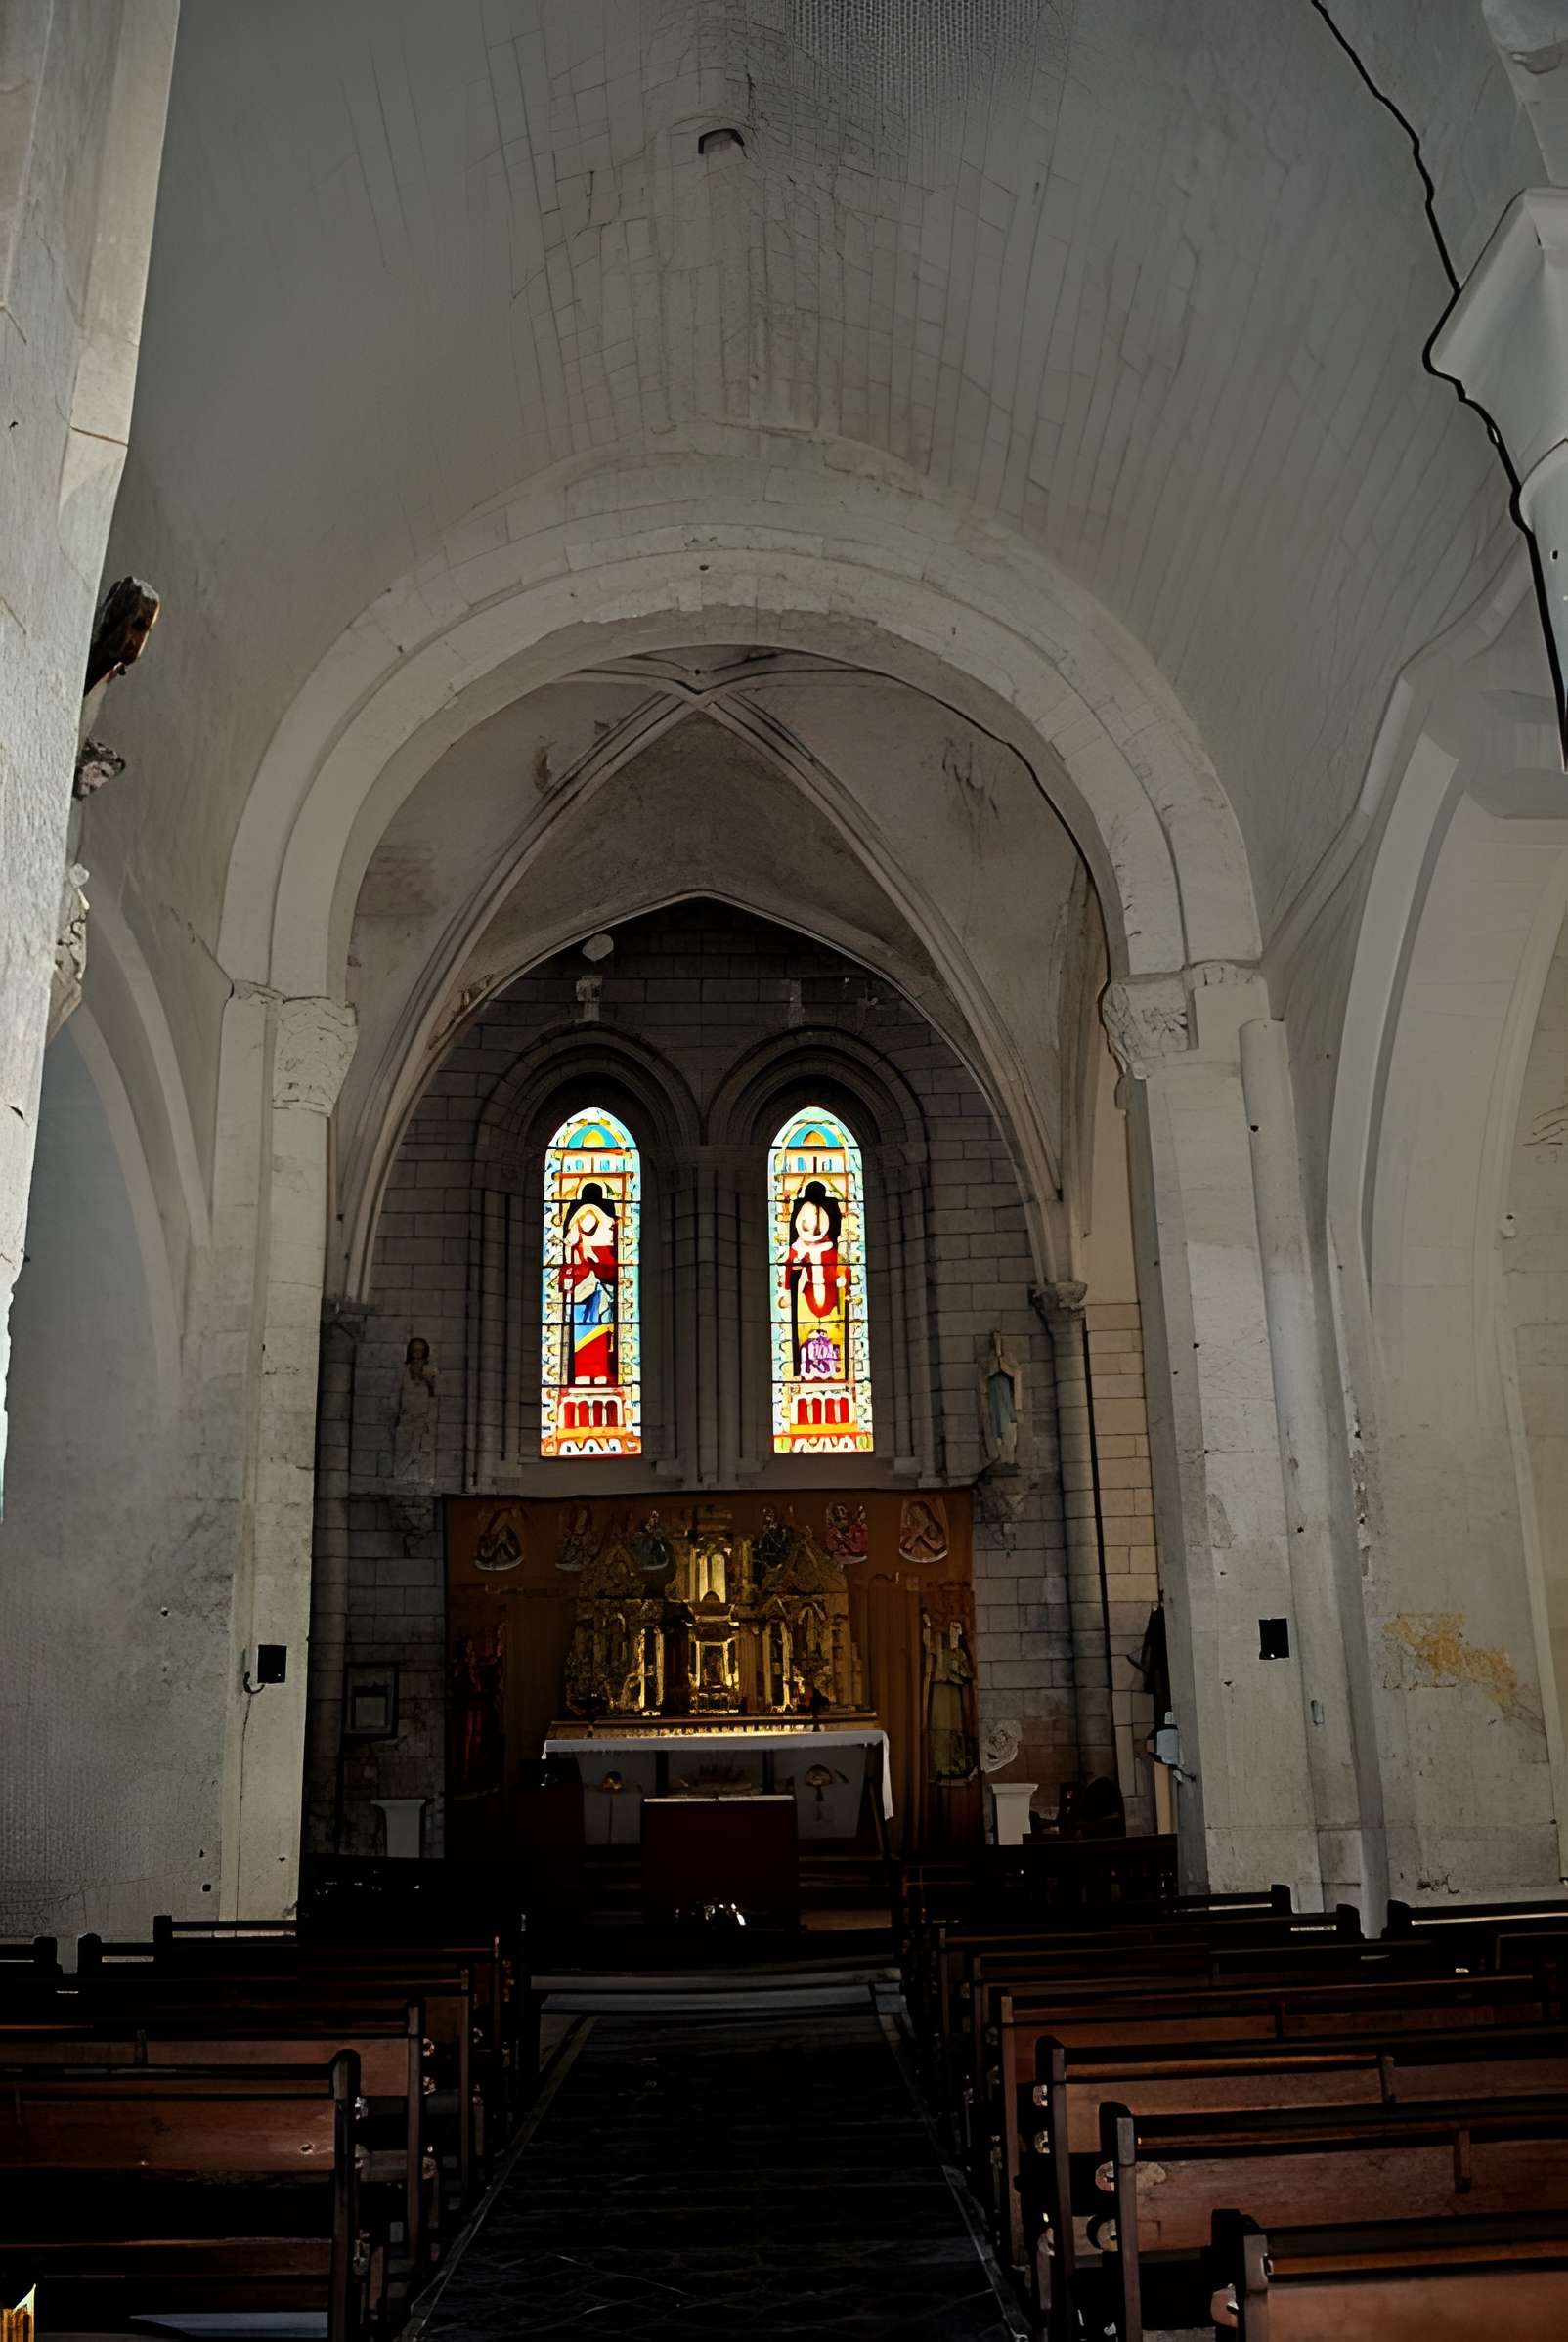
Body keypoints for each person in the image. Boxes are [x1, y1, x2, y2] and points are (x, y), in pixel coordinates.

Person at [784, 1179, 847, 1377]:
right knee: (806, 1331)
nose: (812, 1230)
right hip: (805, 1295)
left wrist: (842, 1279)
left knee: (832, 1329)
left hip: (830, 1294)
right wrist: (788, 1286)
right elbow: (789, 1271)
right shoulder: (796, 1250)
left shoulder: (831, 1250)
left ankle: (832, 1366)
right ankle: (806, 1366)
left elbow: (842, 1268)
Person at [559, 1182, 618, 1383]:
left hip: (599, 1289)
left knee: (600, 1328)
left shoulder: (607, 1226)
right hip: (581, 1289)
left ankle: (599, 1373)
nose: (587, 1223)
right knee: (582, 1329)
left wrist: (596, 1262)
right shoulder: (576, 1227)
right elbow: (569, 1256)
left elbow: (609, 1263)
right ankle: (584, 1373)